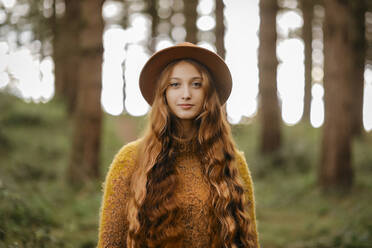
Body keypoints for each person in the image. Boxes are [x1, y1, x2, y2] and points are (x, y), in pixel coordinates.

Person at [97, 42, 259, 248]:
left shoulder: (233, 161)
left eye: (196, 84)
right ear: (163, 92)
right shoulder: (129, 159)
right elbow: (110, 243)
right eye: (175, 84)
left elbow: (249, 242)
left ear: (208, 94)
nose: (185, 94)